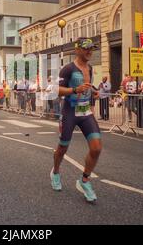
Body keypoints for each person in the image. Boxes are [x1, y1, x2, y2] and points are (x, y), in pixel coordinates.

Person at [51, 38, 102, 203]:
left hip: (86, 111)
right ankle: (56, 172)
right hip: (70, 112)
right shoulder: (68, 69)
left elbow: (86, 86)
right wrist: (74, 89)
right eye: (86, 48)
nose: (89, 52)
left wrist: (93, 91)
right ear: (77, 50)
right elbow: (57, 90)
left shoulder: (91, 68)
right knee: (62, 148)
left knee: (96, 148)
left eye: (91, 49)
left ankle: (84, 181)